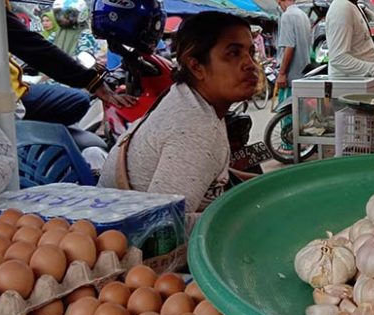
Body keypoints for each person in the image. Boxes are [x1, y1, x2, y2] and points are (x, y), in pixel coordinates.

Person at [99, 12, 260, 225]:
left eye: (251, 52)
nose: (249, 64)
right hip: (128, 238)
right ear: (196, 67)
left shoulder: (185, 96)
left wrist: (267, 185)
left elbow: (209, 173)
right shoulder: (197, 128)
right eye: (233, 54)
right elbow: (162, 229)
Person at [6, 4, 134, 126]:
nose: (62, 18)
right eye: (60, 15)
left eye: (67, 15)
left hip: (57, 74)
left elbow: (37, 47)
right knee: (78, 100)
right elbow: (34, 47)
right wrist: (92, 81)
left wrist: (90, 79)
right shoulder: (55, 33)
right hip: (9, 94)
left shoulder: (85, 35)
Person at [326, 0, 374, 80]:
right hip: (351, 86)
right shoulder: (341, 7)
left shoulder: (353, 6)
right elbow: (338, 58)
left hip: (363, 83)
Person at [276, 0, 311, 92]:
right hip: (304, 75)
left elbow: (289, 46)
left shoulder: (287, 15)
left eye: (279, 4)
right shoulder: (303, 15)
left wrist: (282, 73)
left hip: (291, 78)